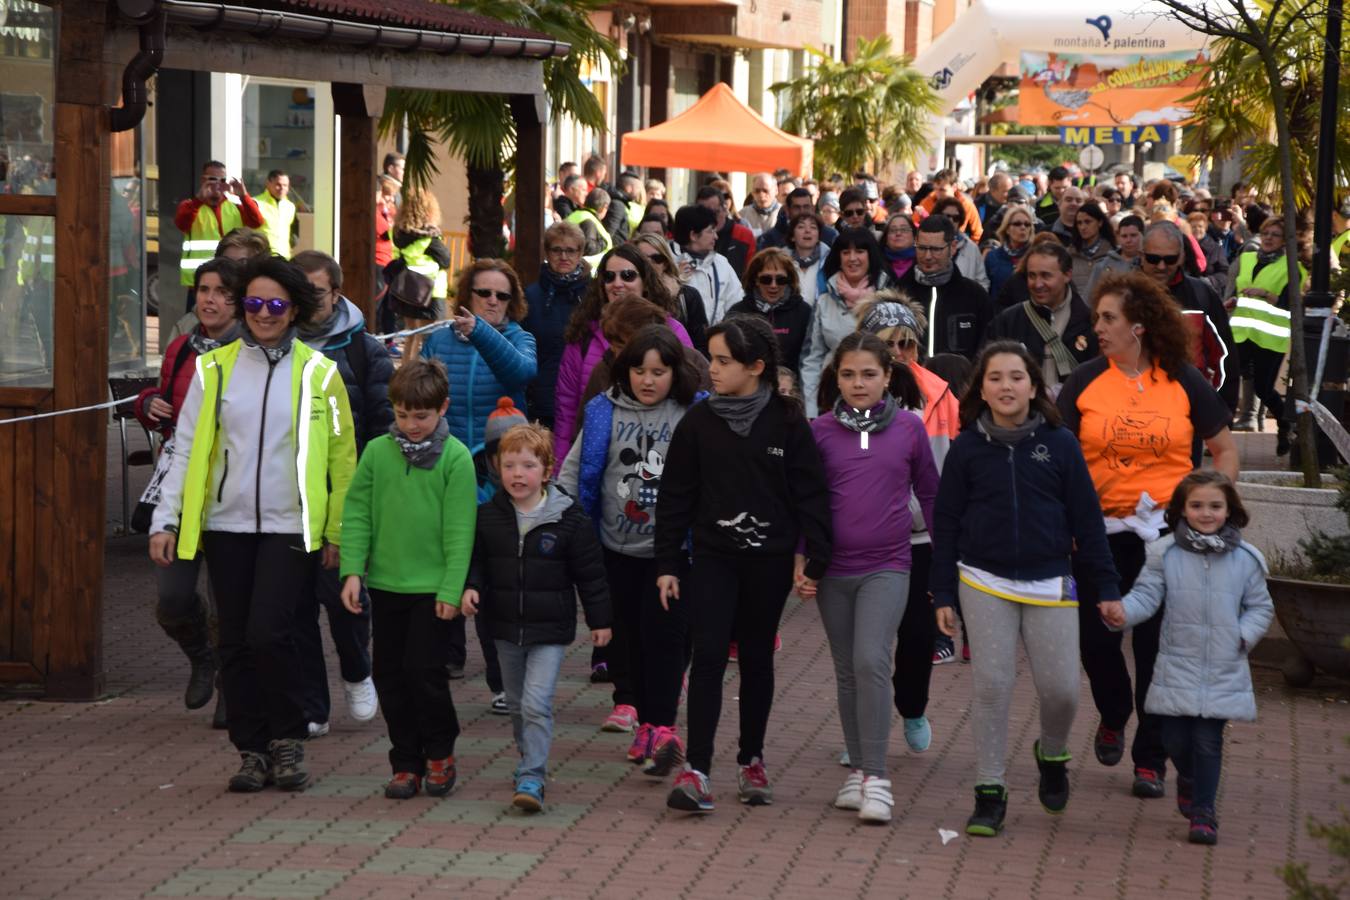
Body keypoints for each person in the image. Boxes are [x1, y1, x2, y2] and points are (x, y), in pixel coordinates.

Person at [148, 257, 357, 793]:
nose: (264, 313)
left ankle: (288, 739)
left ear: (294, 311)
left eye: (277, 304)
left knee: (271, 633)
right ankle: (252, 749)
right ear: (245, 308)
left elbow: (342, 460)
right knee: (235, 642)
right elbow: (187, 448)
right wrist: (165, 520)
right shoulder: (213, 369)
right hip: (226, 526)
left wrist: (338, 533)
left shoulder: (321, 373)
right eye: (255, 303)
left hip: (293, 527)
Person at [1057, 271, 1239, 803]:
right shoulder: (1085, 380)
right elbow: (1060, 461)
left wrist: (1212, 509)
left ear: (1139, 326)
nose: (1099, 328)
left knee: (1159, 651)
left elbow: (1224, 449)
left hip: (1168, 537)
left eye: (1108, 318)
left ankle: (1151, 758)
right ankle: (1114, 713)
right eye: (1097, 319)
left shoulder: (1182, 378)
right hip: (1098, 535)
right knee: (1097, 642)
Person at [931, 341, 1120, 837]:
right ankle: (989, 792)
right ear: (982, 389)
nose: (1006, 386)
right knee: (992, 686)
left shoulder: (1059, 443)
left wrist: (1106, 586)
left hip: (1050, 577)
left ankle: (1052, 752)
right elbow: (946, 522)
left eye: (1016, 377)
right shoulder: (968, 447)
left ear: (1034, 387)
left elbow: (1087, 520)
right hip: (982, 578)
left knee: (1061, 691)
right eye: (995, 378)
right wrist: (943, 593)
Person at [657, 315, 832, 814]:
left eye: (722, 361)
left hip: (769, 562)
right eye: (711, 358)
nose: (711, 369)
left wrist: (815, 557)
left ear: (756, 367)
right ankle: (698, 768)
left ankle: (751, 759)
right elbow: (674, 498)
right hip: (713, 558)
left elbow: (810, 493)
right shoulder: (699, 422)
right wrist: (668, 561)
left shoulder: (788, 419)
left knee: (756, 657)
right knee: (709, 654)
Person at [557, 325, 702, 775]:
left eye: (658, 371)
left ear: (674, 373)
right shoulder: (603, 411)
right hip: (613, 547)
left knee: (666, 639)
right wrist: (564, 521)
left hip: (674, 553)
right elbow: (576, 471)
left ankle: (661, 726)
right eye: (639, 370)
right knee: (625, 639)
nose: (648, 380)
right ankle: (636, 711)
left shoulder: (693, 412)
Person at [807, 332, 939, 825]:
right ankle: (859, 770)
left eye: (868, 374)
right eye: (847, 374)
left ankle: (878, 778)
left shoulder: (909, 428)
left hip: (889, 564)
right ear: (834, 378)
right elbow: (807, 504)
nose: (858, 383)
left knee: (870, 660)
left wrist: (945, 563)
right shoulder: (819, 431)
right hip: (833, 571)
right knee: (847, 671)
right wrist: (802, 561)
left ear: (888, 376)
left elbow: (930, 492)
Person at [1101, 471, 1273, 845]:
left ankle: (1203, 812)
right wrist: (1121, 613)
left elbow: (1260, 607)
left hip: (1223, 665)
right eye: (1197, 505)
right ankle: (1190, 779)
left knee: (1208, 741)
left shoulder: (1246, 559)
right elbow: (1146, 597)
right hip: (1177, 661)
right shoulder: (1165, 554)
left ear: (1230, 510)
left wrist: (1242, 637)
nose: (1206, 513)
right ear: (1181, 510)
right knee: (1175, 739)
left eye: (1215, 506)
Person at [338, 359, 478, 799]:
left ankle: (439, 751)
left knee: (425, 674)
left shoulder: (456, 459)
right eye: (401, 414)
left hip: (433, 590)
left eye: (421, 416)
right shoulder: (378, 453)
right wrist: (352, 571)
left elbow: (461, 531)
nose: (411, 425)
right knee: (389, 675)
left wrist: (451, 588)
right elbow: (357, 513)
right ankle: (405, 761)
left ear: (442, 409)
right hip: (386, 583)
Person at [462, 424, 612, 812]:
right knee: (515, 704)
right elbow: (475, 561)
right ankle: (528, 757)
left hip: (550, 629)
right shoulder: (488, 516)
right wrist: (471, 587)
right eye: (509, 465)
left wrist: (600, 621)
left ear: (546, 471)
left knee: (536, 702)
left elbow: (591, 575)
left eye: (527, 465)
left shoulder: (569, 519)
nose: (517, 473)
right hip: (504, 627)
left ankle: (533, 774)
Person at [134, 257, 242, 721]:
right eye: (203, 290)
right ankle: (202, 655)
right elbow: (164, 407)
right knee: (173, 597)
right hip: (178, 489)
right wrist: (147, 404)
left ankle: (231, 690)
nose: (210, 299)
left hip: (231, 492)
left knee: (229, 602)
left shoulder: (252, 352)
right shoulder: (180, 348)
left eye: (221, 292)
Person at [292, 250, 393, 734]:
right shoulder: (274, 344)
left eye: (317, 289)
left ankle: (357, 669)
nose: (308, 299)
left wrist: (370, 493)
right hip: (286, 498)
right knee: (295, 606)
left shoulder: (363, 349)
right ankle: (312, 707)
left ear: (336, 292)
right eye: (300, 288)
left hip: (345, 495)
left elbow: (382, 424)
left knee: (342, 596)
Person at [552, 246, 695, 466]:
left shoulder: (672, 331)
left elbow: (689, 397)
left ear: (645, 282)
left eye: (628, 275)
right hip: (597, 456)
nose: (617, 283)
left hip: (661, 458)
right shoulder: (583, 335)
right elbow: (567, 408)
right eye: (609, 277)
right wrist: (560, 465)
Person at [421, 259, 537, 453]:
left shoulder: (520, 338)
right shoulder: (438, 340)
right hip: (444, 456)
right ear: (468, 296)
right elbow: (415, 396)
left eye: (502, 296)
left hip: (501, 460)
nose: (493, 300)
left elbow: (522, 374)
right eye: (484, 293)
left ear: (510, 302)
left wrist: (480, 332)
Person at [1225, 216, 1305, 450]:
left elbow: (1290, 305)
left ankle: (1284, 424)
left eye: (1275, 235)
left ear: (1285, 241)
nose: (1268, 238)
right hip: (1241, 332)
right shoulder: (1247, 258)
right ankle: (1220, 434)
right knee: (1228, 380)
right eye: (1266, 233)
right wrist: (1233, 301)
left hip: (1270, 336)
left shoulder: (1293, 268)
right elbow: (1241, 290)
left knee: (1263, 388)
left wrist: (1265, 294)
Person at [1140, 221, 1239, 411]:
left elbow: (1224, 356)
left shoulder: (1202, 295)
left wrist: (1221, 410)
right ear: (1142, 256)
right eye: (1153, 258)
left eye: (1170, 259)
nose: (1161, 266)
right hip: (1134, 409)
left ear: (1182, 257)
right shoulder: (1123, 295)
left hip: (1188, 411)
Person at [986, 241, 1097, 396]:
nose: (1037, 284)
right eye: (1032, 276)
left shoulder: (1091, 323)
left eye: (1046, 276)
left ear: (1067, 275)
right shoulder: (1007, 320)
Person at [800, 227, 889, 417]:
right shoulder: (824, 301)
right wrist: (810, 409)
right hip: (831, 402)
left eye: (859, 251)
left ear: (870, 255)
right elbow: (812, 359)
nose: (852, 258)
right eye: (846, 252)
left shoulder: (888, 299)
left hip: (879, 403)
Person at [522, 221, 591, 429]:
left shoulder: (595, 294)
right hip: (543, 402)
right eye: (557, 250)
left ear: (580, 253)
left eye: (570, 250)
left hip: (585, 397)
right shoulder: (531, 296)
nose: (563, 257)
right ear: (547, 252)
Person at [896, 215, 994, 361]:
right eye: (922, 248)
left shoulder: (975, 296)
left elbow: (987, 348)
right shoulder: (898, 294)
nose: (928, 256)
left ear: (953, 247)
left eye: (936, 249)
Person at [174, 161, 264, 303]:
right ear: (203, 180)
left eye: (222, 180)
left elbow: (257, 222)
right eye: (212, 179)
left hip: (233, 280)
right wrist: (198, 200)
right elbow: (181, 223)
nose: (218, 184)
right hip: (200, 281)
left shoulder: (237, 205)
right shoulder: (190, 206)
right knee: (196, 323)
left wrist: (243, 195)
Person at [726, 248, 813, 374]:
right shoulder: (738, 313)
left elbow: (810, 359)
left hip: (791, 388)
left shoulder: (804, 312)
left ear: (789, 280)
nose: (773, 285)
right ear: (756, 280)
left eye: (780, 280)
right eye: (766, 279)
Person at [387, 188, 451, 347]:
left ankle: (406, 370)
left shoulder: (398, 235)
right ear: (430, 211)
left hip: (407, 291)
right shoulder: (430, 239)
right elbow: (446, 260)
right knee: (427, 340)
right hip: (431, 292)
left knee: (410, 336)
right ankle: (421, 371)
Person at [630, 232, 709, 355]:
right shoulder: (627, 296)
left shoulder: (687, 296)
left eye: (656, 259)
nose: (649, 264)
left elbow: (701, 346)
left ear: (666, 263)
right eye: (643, 259)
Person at [672, 204, 744, 327]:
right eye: (711, 231)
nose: (716, 237)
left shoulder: (721, 263)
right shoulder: (668, 262)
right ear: (693, 235)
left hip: (716, 340)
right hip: (679, 341)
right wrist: (675, 281)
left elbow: (738, 304)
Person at [931, 197, 990, 289]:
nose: (951, 221)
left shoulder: (971, 248)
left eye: (956, 218)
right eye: (946, 216)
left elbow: (982, 281)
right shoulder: (925, 244)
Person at [757, 188, 838, 253]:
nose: (802, 211)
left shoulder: (830, 236)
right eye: (797, 207)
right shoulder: (769, 239)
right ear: (787, 210)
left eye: (806, 207)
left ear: (813, 208)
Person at [696, 184, 755, 275]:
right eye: (704, 213)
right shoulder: (692, 235)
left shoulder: (743, 235)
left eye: (715, 212)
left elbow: (751, 273)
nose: (710, 218)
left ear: (725, 209)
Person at [984, 204, 1035, 305]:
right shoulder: (992, 257)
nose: (1023, 227)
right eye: (1017, 224)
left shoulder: (1035, 256)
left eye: (1027, 224)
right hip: (999, 315)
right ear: (1007, 229)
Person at [1087, 214, 1144, 299]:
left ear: (1142, 235)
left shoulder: (1151, 263)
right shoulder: (1103, 265)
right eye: (1124, 236)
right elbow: (1089, 297)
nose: (1128, 240)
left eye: (1133, 235)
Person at [917, 169, 983, 242]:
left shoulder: (966, 205)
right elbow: (915, 223)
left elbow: (978, 233)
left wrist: (966, 248)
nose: (938, 194)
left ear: (954, 187)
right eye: (935, 189)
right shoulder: (928, 201)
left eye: (942, 190)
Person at [1069, 203, 1115, 297]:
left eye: (1088, 222)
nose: (1083, 227)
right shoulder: (1069, 254)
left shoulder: (1113, 254)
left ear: (1100, 222)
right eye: (1079, 223)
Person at [567, 188, 615, 271]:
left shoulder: (577, 215)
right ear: (604, 207)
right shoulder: (588, 220)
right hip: (587, 272)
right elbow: (589, 247)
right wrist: (604, 243)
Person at [256, 170, 297, 259]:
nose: (282, 188)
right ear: (268, 184)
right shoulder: (256, 203)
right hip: (262, 257)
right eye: (278, 184)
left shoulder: (290, 206)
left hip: (284, 257)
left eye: (285, 185)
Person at [740, 173, 781, 239]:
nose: (761, 195)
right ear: (752, 192)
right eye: (757, 191)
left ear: (776, 190)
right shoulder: (743, 214)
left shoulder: (784, 213)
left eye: (765, 191)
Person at [880, 212, 917, 284]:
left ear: (914, 236)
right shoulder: (877, 263)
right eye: (893, 230)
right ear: (886, 238)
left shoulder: (922, 262)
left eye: (904, 229)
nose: (898, 233)